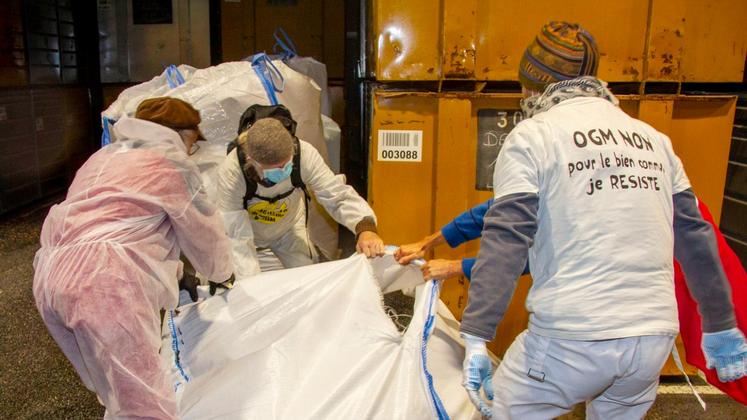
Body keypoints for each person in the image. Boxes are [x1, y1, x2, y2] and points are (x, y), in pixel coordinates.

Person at [458, 22, 747, 419]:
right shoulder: (653, 139)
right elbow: (695, 236)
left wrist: (476, 335)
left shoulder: (531, 137)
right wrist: (720, 323)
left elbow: (507, 239)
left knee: (495, 411)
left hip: (570, 337)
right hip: (651, 340)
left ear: (532, 86)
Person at [33, 97, 233, 419]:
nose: (193, 148)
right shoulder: (171, 162)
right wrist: (223, 273)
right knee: (144, 404)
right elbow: (203, 232)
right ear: (181, 133)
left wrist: (176, 270)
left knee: (116, 390)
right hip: (105, 283)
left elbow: (125, 223)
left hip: (52, 274)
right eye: (194, 139)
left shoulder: (102, 157)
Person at [217, 104, 384, 279]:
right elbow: (236, 236)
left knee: (307, 277)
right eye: (275, 169)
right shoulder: (232, 172)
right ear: (252, 160)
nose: (282, 172)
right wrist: (249, 285)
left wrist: (365, 228)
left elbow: (336, 195)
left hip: (289, 229)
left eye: (286, 165)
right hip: (248, 232)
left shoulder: (305, 154)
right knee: (248, 282)